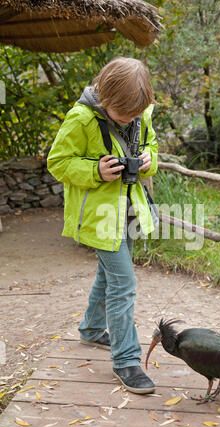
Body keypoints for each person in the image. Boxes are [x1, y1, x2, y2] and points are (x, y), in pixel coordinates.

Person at [47, 57, 158, 394]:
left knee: (107, 275)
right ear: (105, 98)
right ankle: (126, 360)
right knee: (123, 283)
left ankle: (92, 329)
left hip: (130, 212)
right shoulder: (80, 119)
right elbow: (57, 162)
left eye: (134, 115)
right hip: (98, 219)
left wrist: (150, 159)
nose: (129, 120)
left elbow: (151, 145)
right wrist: (95, 171)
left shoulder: (141, 114)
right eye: (122, 116)